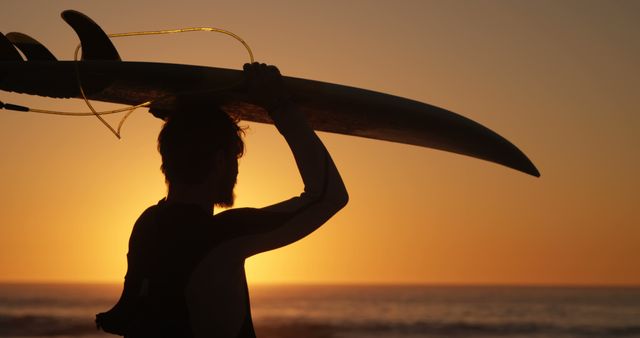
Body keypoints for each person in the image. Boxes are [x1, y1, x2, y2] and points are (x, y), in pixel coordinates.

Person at [95, 62, 348, 338]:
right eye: (235, 160)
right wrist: (280, 107)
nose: (237, 173)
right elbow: (328, 196)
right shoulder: (222, 235)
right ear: (219, 161)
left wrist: (183, 118)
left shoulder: (146, 227)